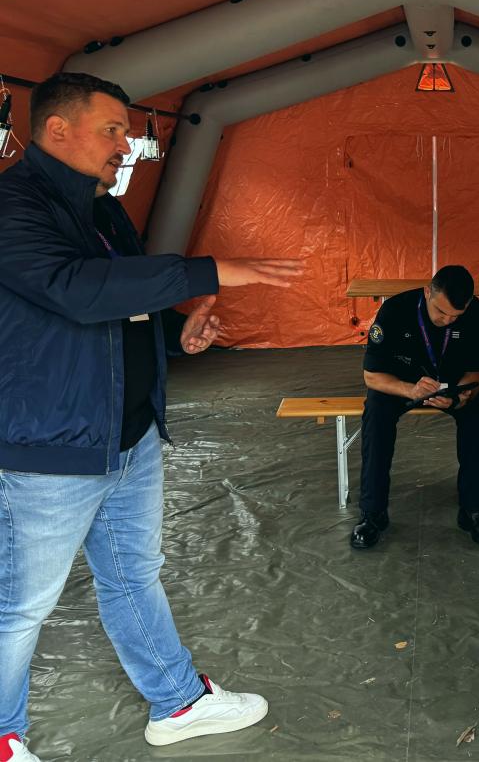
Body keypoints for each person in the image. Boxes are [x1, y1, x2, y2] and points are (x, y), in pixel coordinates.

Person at [0, 73, 304, 762]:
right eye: (111, 130)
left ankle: (177, 702)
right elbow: (75, 291)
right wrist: (205, 271)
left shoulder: (103, 211)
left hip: (129, 435)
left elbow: (121, 306)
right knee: (19, 604)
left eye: (127, 132)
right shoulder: (15, 207)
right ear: (57, 130)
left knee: (133, 575)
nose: (125, 144)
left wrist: (175, 336)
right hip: (53, 446)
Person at [351, 265, 479, 549]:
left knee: (478, 415)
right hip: (401, 384)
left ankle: (474, 511)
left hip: (452, 385)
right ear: (427, 292)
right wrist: (411, 390)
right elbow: (371, 376)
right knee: (376, 415)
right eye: (440, 312)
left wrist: (459, 398)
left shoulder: (475, 313)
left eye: (454, 316)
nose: (446, 320)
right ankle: (372, 514)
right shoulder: (394, 310)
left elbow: (475, 375)